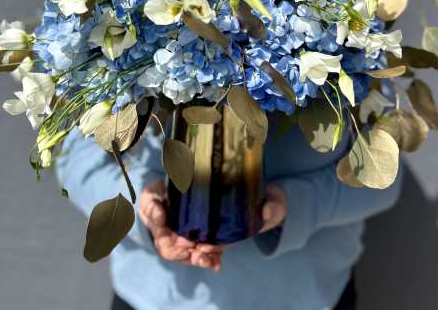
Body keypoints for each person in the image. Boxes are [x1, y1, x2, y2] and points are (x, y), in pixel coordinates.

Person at [56, 113, 402, 310]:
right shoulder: (115, 12)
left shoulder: (346, 24)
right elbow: (77, 156)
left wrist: (294, 204)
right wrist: (145, 211)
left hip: (308, 298)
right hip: (157, 300)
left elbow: (383, 175)